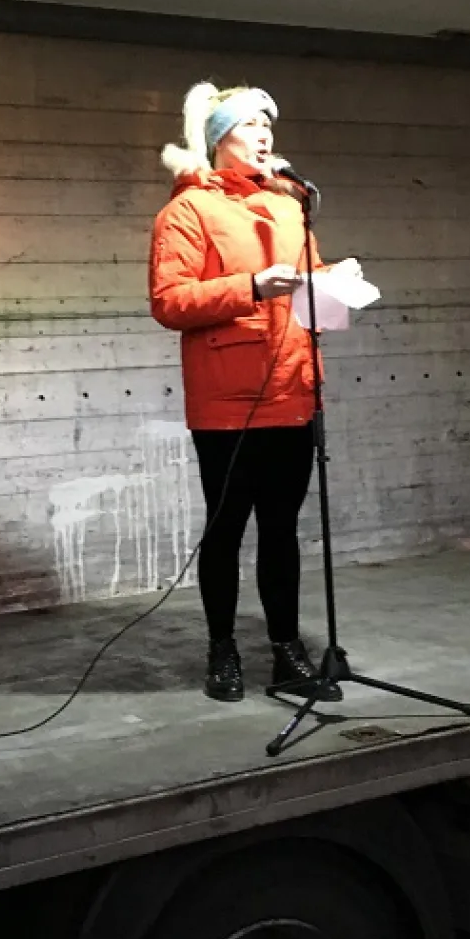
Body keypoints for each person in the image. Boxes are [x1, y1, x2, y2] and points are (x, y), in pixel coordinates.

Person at [148, 81, 361, 703]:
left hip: (293, 392)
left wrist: (335, 280)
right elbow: (169, 301)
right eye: (251, 125)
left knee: (281, 530)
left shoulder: (290, 206)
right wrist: (250, 287)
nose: (265, 136)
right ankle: (222, 650)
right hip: (227, 404)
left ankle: (287, 652)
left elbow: (307, 285)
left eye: (269, 126)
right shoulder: (186, 212)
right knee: (226, 529)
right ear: (219, 138)